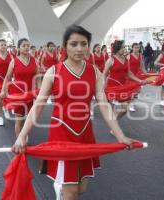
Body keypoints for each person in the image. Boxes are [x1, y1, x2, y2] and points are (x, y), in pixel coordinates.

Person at [12, 25, 138, 200]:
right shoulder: (53, 72)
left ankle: (60, 186)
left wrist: (120, 136)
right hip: (61, 134)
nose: (79, 48)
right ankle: (63, 188)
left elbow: (103, 104)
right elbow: (38, 106)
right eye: (74, 44)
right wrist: (22, 136)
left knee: (80, 189)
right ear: (65, 46)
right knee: (71, 194)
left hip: (85, 134)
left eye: (84, 44)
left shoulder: (94, 71)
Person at [0, 38, 40, 138]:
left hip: (30, 93)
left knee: (28, 118)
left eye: (28, 45)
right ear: (18, 48)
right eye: (24, 46)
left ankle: (23, 134)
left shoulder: (35, 60)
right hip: (17, 94)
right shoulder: (14, 62)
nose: (26, 47)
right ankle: (19, 141)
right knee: (19, 119)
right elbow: (8, 77)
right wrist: (3, 90)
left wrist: (41, 91)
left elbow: (38, 78)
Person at [103, 40, 147, 119]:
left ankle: (114, 121)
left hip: (123, 87)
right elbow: (105, 74)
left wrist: (139, 81)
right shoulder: (111, 60)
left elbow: (129, 73)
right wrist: (103, 87)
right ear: (118, 48)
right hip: (112, 87)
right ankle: (113, 126)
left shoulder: (125, 59)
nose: (124, 49)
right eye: (123, 47)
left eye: (124, 47)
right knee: (110, 109)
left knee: (125, 109)